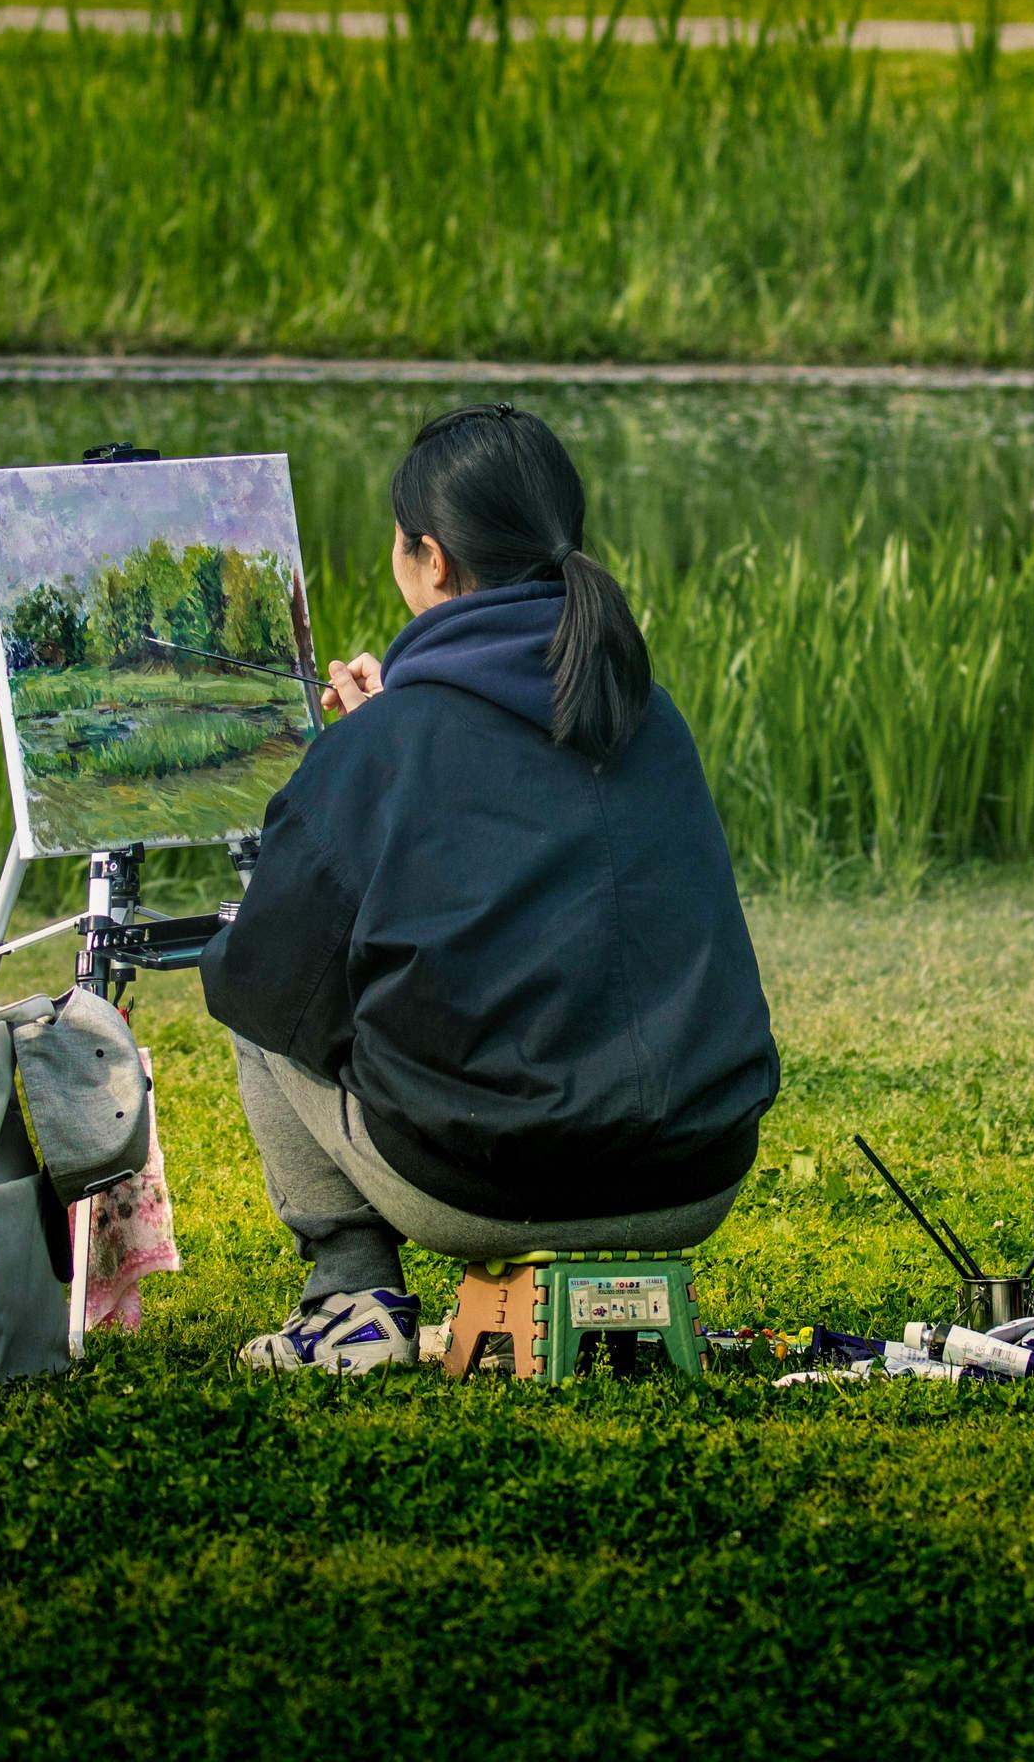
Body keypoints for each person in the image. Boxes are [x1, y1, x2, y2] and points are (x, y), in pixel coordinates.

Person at [198, 401, 779, 1373]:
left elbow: (272, 956)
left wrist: (352, 762)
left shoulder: (393, 741)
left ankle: (351, 1294)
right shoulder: (648, 712)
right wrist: (384, 742)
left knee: (252, 977)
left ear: (432, 558)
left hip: (485, 1184)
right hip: (696, 1165)